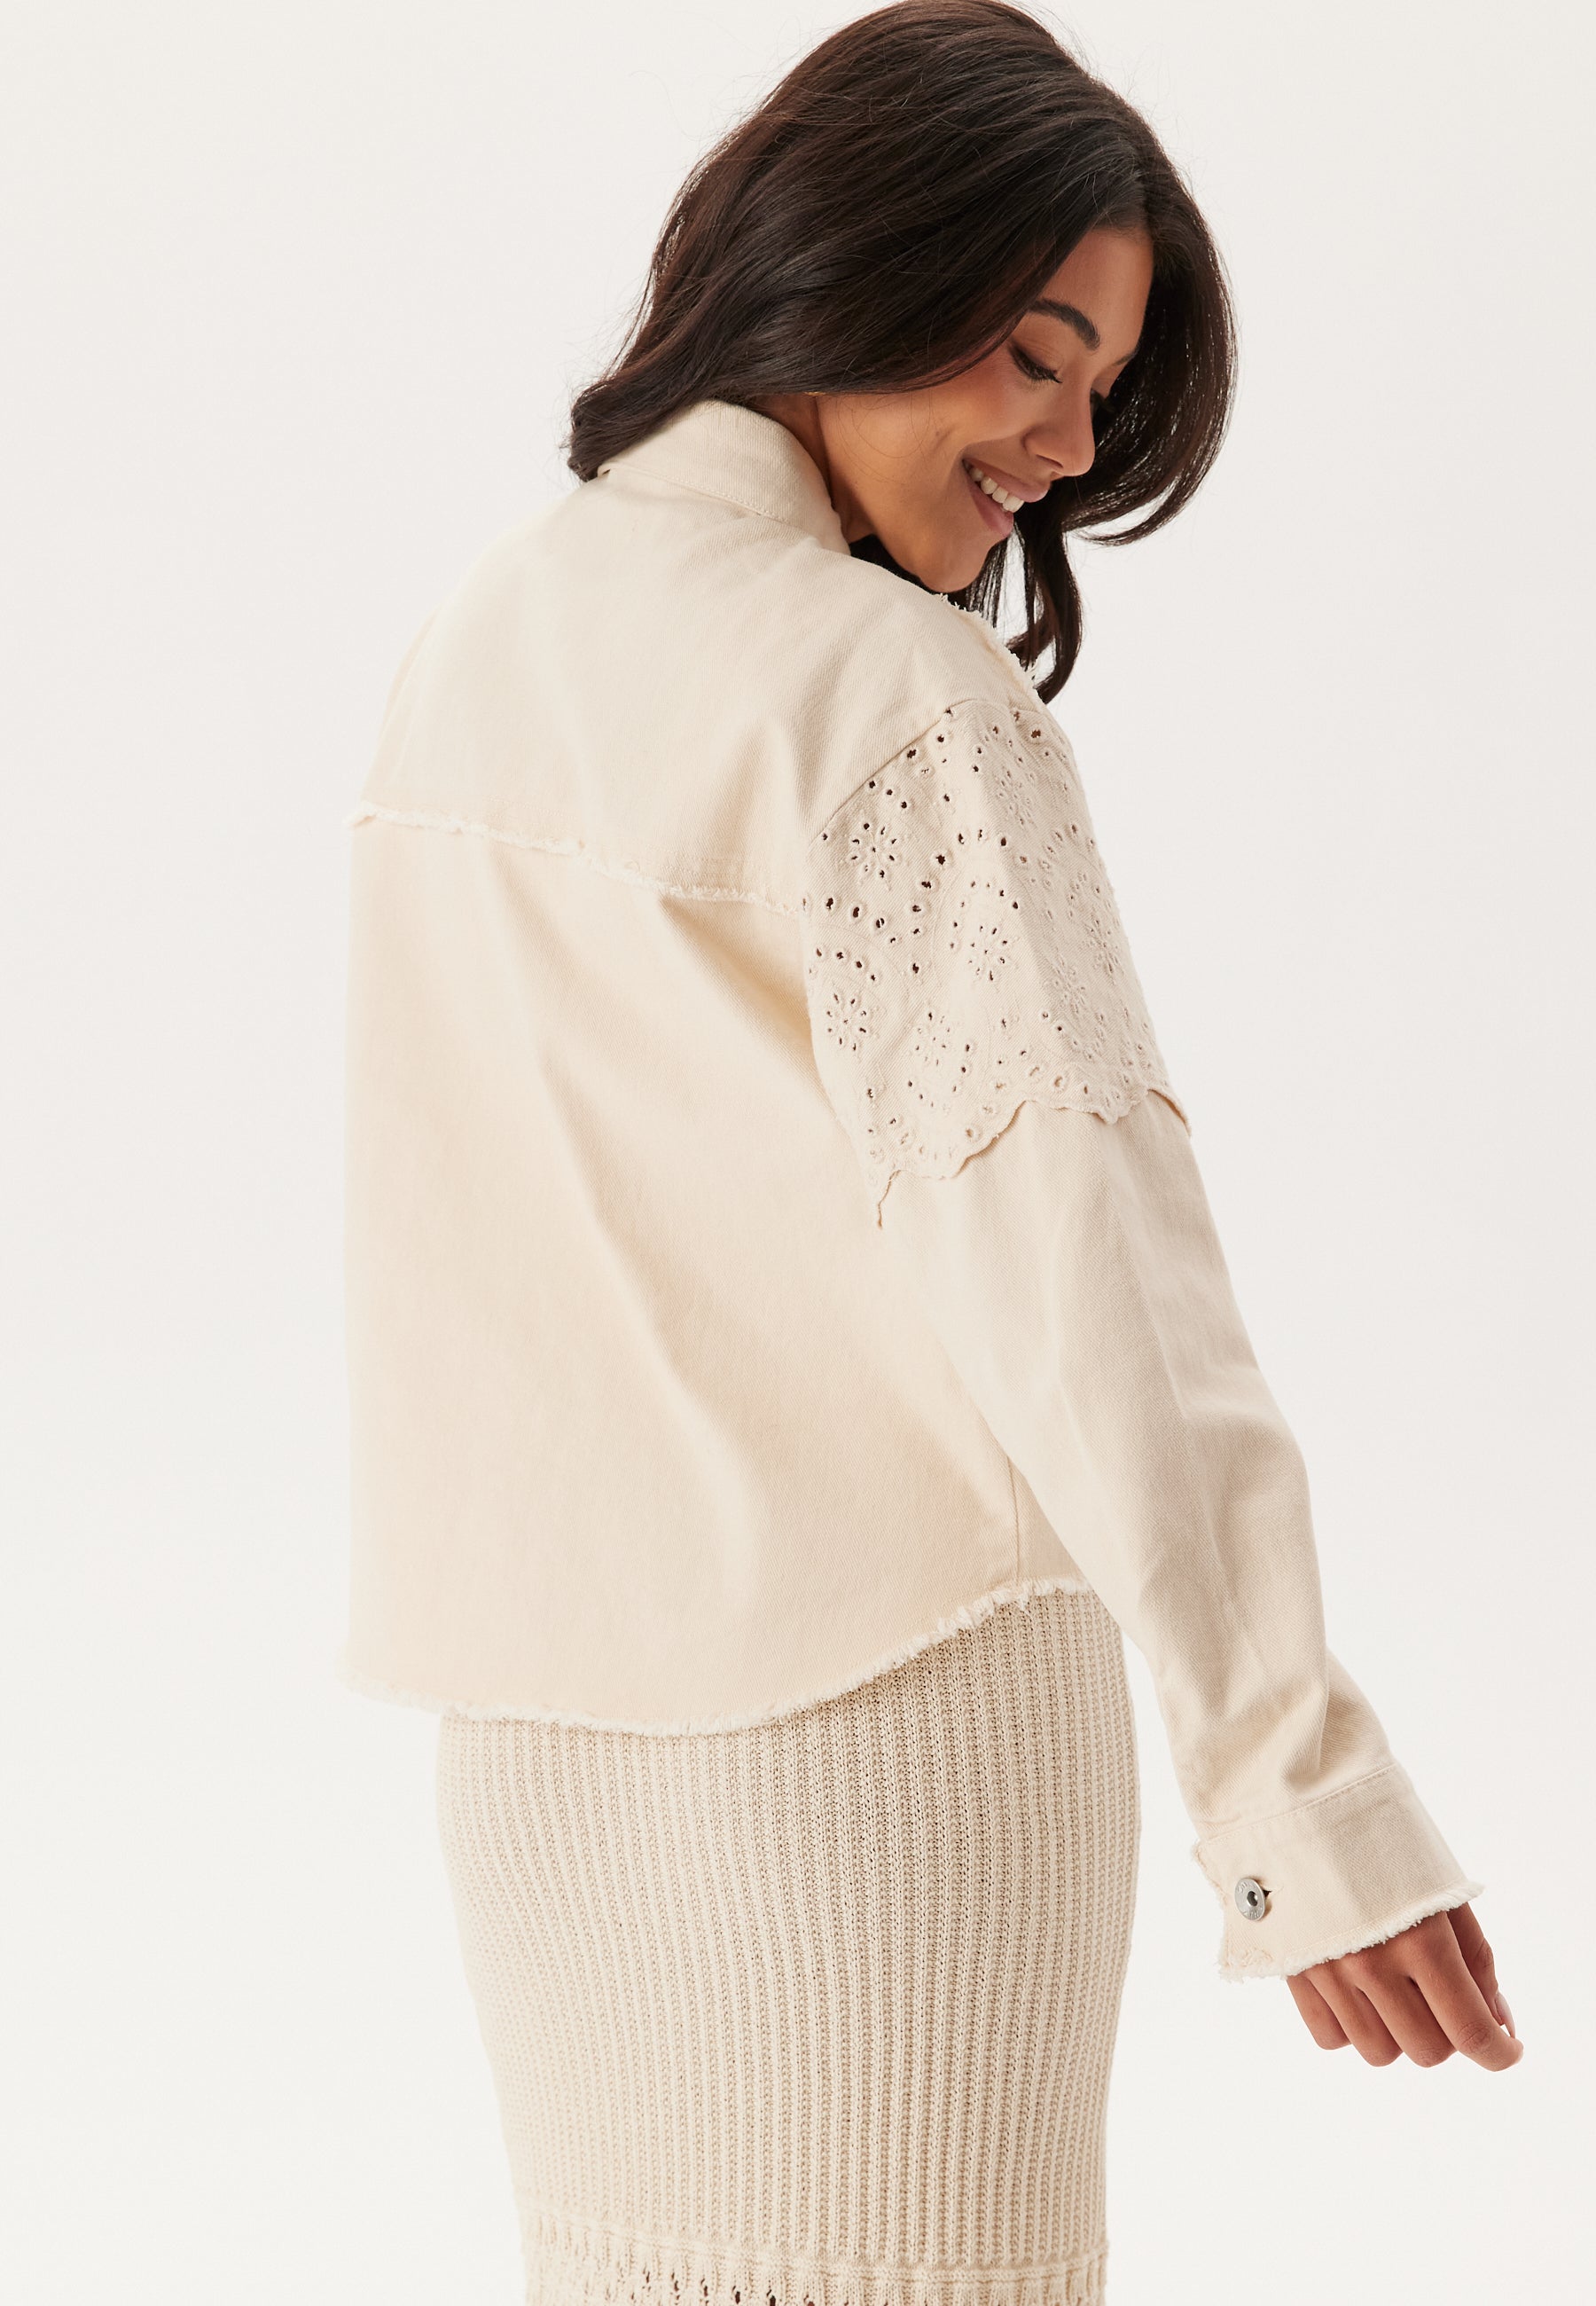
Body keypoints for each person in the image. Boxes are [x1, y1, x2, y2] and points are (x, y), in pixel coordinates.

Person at [337, 4, 1520, 2298]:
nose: (1064, 451)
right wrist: (1298, 1788)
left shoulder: (478, 639)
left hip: (539, 1765)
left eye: (1101, 392)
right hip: (891, 1741)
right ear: (860, 263)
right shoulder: (889, 695)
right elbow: (1080, 1249)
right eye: (1037, 356)